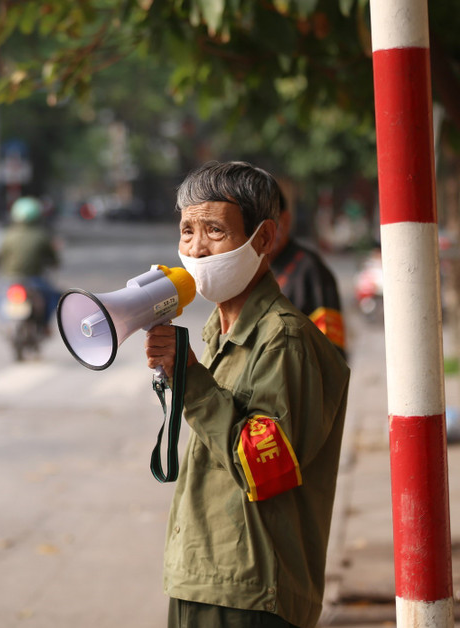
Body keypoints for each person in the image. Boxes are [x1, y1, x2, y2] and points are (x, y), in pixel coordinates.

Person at [145, 161, 350, 628]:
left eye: (214, 229)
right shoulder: (219, 327)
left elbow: (267, 469)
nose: (196, 248)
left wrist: (191, 379)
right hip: (202, 573)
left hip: (251, 591)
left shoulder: (285, 339)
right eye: (187, 230)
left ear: (262, 239)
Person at [269, 195, 346, 357]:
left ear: (286, 219)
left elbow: (331, 349)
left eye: (270, 222)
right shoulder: (255, 267)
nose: (264, 232)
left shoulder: (310, 269)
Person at [0, 196, 60, 328]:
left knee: (1, 297)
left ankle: (5, 324)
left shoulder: (8, 235)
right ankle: (45, 326)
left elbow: (1, 256)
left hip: (11, 279)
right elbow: (52, 258)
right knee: (53, 297)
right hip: (35, 279)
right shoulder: (42, 235)